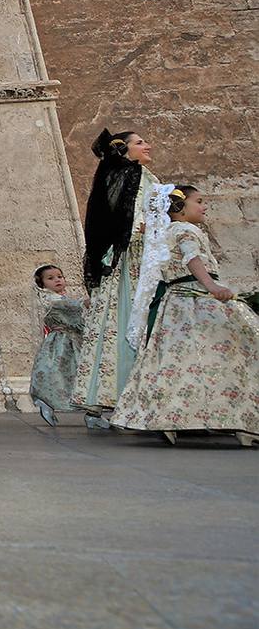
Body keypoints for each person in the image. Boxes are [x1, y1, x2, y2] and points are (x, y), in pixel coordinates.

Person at [112, 186, 258, 446]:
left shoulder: (166, 233)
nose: (204, 207)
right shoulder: (185, 230)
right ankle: (241, 419)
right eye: (199, 202)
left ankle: (171, 417)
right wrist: (212, 287)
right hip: (196, 297)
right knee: (241, 345)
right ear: (179, 208)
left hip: (175, 302)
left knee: (177, 360)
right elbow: (193, 259)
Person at [72, 129, 167, 428]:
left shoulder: (142, 174)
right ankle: (112, 399)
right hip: (129, 260)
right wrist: (143, 227)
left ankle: (138, 400)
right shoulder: (123, 174)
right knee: (122, 321)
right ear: (124, 150)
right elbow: (115, 214)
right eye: (139, 143)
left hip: (147, 258)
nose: (147, 145)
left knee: (138, 324)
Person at [28, 264, 84, 427]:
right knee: (56, 372)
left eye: (59, 276)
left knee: (76, 374)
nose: (57, 280)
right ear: (42, 284)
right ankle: (45, 400)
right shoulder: (51, 299)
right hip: (61, 343)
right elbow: (74, 307)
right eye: (50, 278)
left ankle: (93, 412)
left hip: (74, 341)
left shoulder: (62, 297)